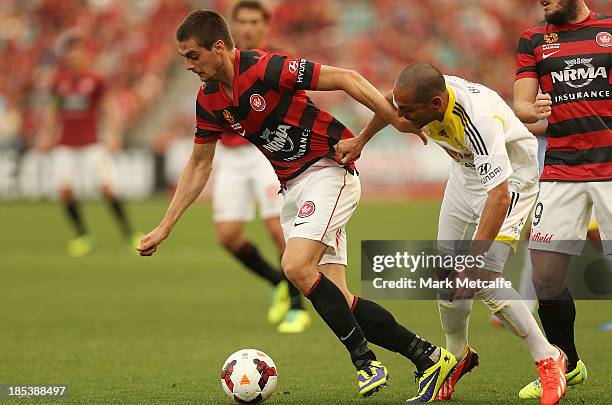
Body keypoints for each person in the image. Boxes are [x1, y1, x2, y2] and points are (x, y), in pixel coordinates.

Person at [138, 9, 457, 401]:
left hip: (328, 169)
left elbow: (346, 78)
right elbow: (199, 163)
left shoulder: (266, 68)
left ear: (218, 48)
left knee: (294, 265)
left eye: (192, 56)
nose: (187, 65)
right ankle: (428, 357)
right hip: (292, 187)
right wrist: (166, 225)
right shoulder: (208, 100)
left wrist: (394, 119)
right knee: (340, 300)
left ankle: (365, 361)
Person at [336, 64, 568, 405]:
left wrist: (474, 261)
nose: (400, 116)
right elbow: (389, 100)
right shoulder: (420, 98)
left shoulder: (476, 121)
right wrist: (361, 140)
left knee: (481, 276)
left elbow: (499, 195)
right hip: (465, 174)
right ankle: (457, 357)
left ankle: (549, 357)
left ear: (435, 103)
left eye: (408, 110)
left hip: (511, 181)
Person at [514, 0, 611, 398]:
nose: (542, 1)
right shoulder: (533, 39)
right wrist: (527, 109)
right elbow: (522, 105)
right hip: (560, 169)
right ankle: (566, 362)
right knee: (545, 278)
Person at [211, 0, 309, 333]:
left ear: (265, 26)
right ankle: (276, 281)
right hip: (230, 153)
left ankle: (296, 304)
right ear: (232, 27)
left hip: (266, 151)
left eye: (255, 22)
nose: (248, 28)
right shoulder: (219, 62)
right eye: (242, 22)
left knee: (275, 227)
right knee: (227, 236)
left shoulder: (277, 60)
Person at [36, 30, 140, 257]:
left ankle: (129, 233)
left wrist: (114, 135)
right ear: (66, 57)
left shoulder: (95, 80)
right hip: (66, 145)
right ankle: (82, 234)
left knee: (107, 189)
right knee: (65, 191)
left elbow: (109, 108)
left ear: (84, 55)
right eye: (70, 54)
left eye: (78, 53)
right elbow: (52, 112)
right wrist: (45, 137)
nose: (74, 58)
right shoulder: (59, 82)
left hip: (92, 144)